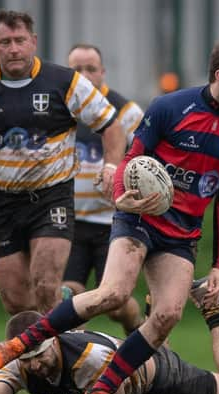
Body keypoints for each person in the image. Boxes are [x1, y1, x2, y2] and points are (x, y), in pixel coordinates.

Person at [0, 38, 219, 394]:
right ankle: (18, 346)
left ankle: (101, 391)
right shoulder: (171, 107)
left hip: (182, 234)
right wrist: (120, 196)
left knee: (166, 317)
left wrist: (216, 265)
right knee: (112, 293)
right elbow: (132, 157)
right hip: (140, 217)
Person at [0, 10, 126, 314]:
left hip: (52, 196)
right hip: (2, 201)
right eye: (5, 42)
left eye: (20, 40)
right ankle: (63, 322)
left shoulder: (64, 82)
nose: (13, 49)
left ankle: (58, 357)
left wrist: (111, 167)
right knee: (16, 301)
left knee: (45, 286)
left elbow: (111, 126)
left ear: (33, 42)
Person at [0, 263, 219, 394]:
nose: (33, 365)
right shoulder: (22, 357)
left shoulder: (89, 359)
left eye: (39, 355)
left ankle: (213, 307)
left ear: (54, 340)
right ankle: (162, 297)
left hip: (160, 375)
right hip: (138, 360)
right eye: (26, 359)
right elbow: (3, 386)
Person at [64, 43, 145, 334]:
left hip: (113, 222)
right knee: (67, 296)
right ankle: (78, 358)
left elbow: (150, 160)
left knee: (115, 305)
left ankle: (136, 326)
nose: (84, 75)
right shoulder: (60, 110)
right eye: (76, 69)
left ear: (103, 73)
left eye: (90, 69)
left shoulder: (126, 111)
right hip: (70, 221)